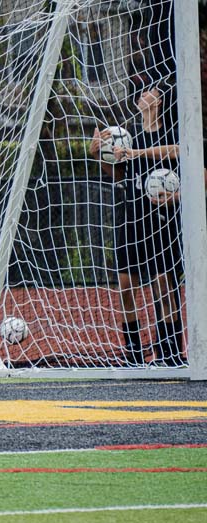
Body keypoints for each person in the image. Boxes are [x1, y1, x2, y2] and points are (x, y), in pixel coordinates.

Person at [89, 81, 206, 366]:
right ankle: (133, 351)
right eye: (142, 91)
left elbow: (195, 168)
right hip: (131, 219)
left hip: (163, 221)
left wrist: (175, 197)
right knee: (126, 286)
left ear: (161, 101)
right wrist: (96, 153)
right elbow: (121, 177)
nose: (143, 94)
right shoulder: (127, 138)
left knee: (163, 285)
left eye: (150, 91)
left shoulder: (176, 133)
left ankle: (170, 352)